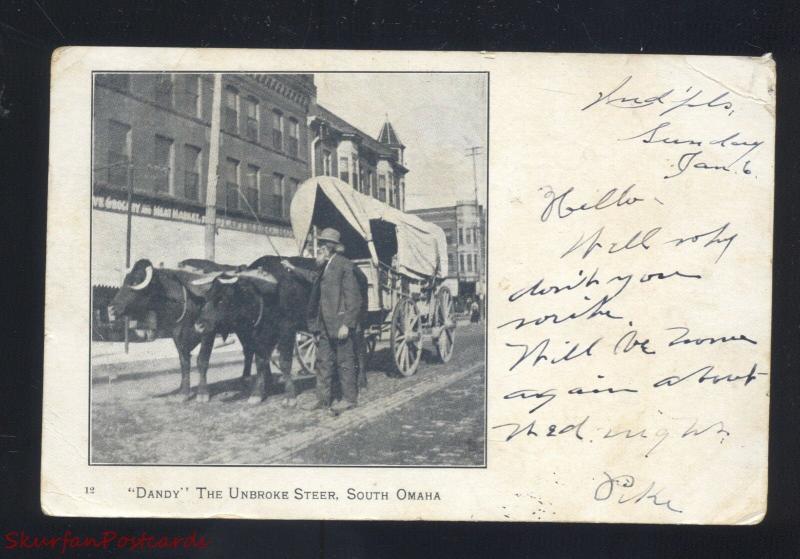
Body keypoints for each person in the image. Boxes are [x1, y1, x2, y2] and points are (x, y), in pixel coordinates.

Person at [282, 228, 363, 415]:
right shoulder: (324, 266)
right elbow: (312, 278)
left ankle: (349, 399)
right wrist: (292, 268)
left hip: (340, 323)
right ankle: (323, 399)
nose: (318, 250)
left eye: (321, 247)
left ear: (329, 248)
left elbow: (354, 298)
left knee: (344, 361)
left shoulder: (344, 265)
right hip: (324, 324)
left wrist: (347, 324)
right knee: (323, 362)